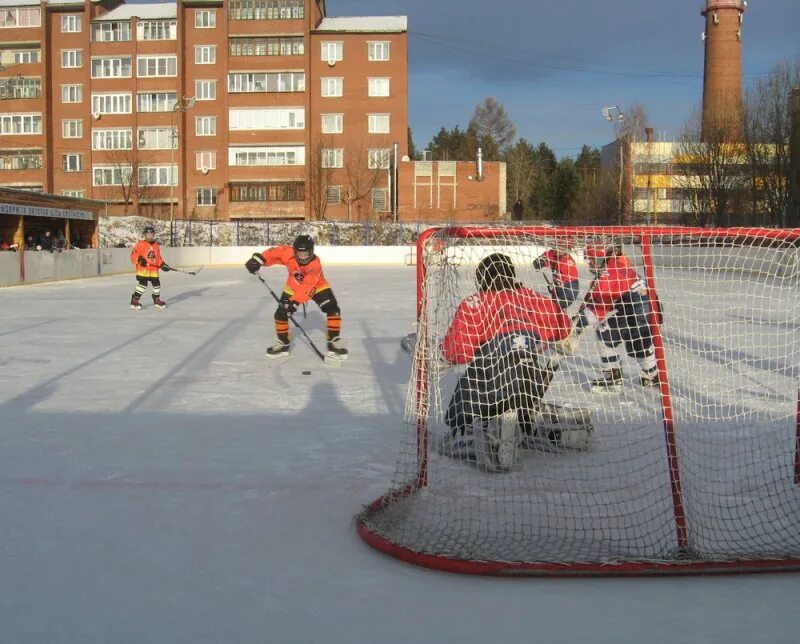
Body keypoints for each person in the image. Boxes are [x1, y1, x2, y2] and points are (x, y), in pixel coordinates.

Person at [440, 253, 582, 470]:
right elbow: (565, 332)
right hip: (528, 386)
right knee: (533, 369)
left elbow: (456, 352)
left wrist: (439, 353)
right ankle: (526, 425)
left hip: (489, 386)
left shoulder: (473, 304)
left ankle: (473, 430)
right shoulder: (535, 299)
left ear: (482, 279)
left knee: (461, 407)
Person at [245, 235, 347, 360]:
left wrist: (294, 303)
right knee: (280, 314)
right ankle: (283, 343)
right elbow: (274, 252)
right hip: (293, 285)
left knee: (333, 309)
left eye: (306, 254)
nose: (302, 257)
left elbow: (307, 287)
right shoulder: (288, 253)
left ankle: (333, 340)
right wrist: (259, 259)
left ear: (311, 252)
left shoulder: (315, 264)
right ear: (295, 251)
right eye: (299, 254)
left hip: (317, 286)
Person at [579, 243, 659, 390]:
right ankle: (651, 375)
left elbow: (597, 311)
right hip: (650, 310)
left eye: (591, 259)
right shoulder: (617, 263)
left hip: (639, 314)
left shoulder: (607, 275)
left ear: (599, 258)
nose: (589, 263)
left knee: (605, 333)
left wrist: (576, 325)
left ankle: (612, 376)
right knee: (639, 346)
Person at [129, 225, 171, 310]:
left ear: (153, 235)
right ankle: (135, 300)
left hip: (154, 270)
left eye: (151, 234)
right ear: (145, 235)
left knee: (157, 284)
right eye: (148, 235)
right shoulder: (140, 244)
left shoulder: (156, 245)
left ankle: (156, 299)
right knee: (143, 284)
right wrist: (140, 259)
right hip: (143, 270)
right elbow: (133, 256)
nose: (149, 236)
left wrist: (163, 264)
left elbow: (158, 258)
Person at [532, 243, 580, 310]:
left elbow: (571, 277)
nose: (558, 250)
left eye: (562, 248)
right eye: (558, 246)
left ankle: (561, 314)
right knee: (554, 307)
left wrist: (558, 283)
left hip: (570, 287)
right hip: (559, 286)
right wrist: (540, 261)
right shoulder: (554, 254)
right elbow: (547, 256)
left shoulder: (568, 261)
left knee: (556, 306)